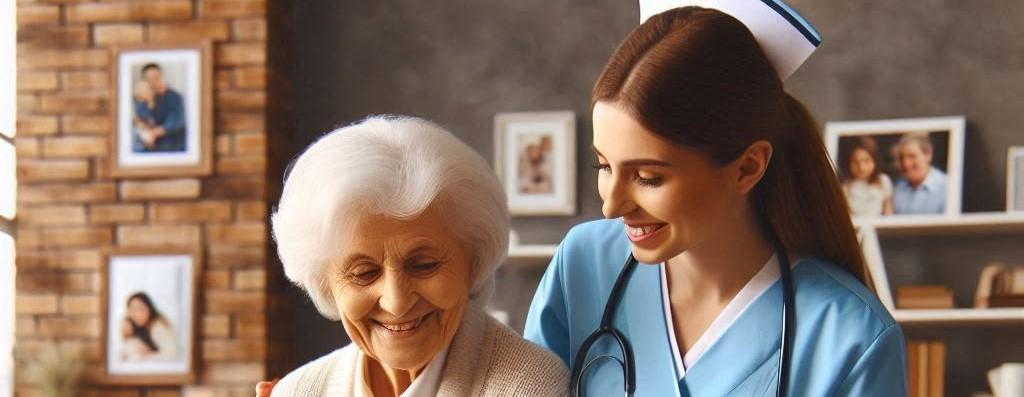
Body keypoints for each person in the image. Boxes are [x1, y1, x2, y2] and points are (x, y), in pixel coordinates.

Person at [524, 2, 907, 396]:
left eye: (648, 177)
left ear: (747, 167)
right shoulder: (583, 264)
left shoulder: (850, 337)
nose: (612, 206)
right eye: (603, 167)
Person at [263, 116, 568, 397]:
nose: (396, 302)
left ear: (473, 263)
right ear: (325, 282)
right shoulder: (297, 391)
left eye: (424, 265)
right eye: (364, 272)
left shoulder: (529, 385)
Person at [133, 63, 186, 152]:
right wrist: (150, 102)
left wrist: (153, 133)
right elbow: (140, 120)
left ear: (161, 77)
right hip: (148, 145)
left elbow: (175, 122)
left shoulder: (175, 97)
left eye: (156, 77)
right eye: (149, 79)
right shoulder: (142, 98)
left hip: (171, 144)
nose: (153, 81)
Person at [892, 132, 947, 214]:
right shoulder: (897, 188)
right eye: (901, 158)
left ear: (928, 155)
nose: (906, 164)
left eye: (912, 156)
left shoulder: (947, 187)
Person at [841, 136, 893, 216]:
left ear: (875, 160)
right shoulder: (846, 188)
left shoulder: (883, 181)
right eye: (855, 162)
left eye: (866, 161)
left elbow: (888, 212)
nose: (861, 167)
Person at [120, 292, 178, 361]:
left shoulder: (158, 326)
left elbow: (172, 354)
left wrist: (147, 356)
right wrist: (126, 335)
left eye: (141, 308)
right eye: (133, 310)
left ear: (149, 308)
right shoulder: (134, 327)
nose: (137, 314)